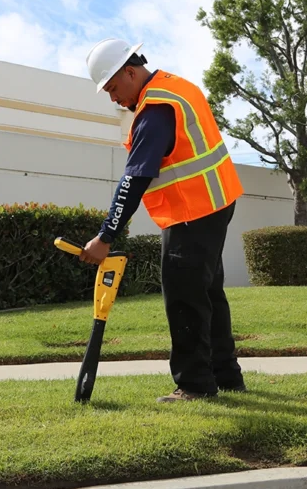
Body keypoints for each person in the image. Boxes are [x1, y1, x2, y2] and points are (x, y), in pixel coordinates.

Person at [78, 37, 246, 403]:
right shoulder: (177, 86)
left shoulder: (155, 109)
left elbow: (134, 180)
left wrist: (106, 236)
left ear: (130, 71)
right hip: (216, 202)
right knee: (209, 293)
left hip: (192, 212)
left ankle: (195, 385)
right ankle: (226, 376)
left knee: (184, 296)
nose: (113, 97)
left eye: (113, 87)